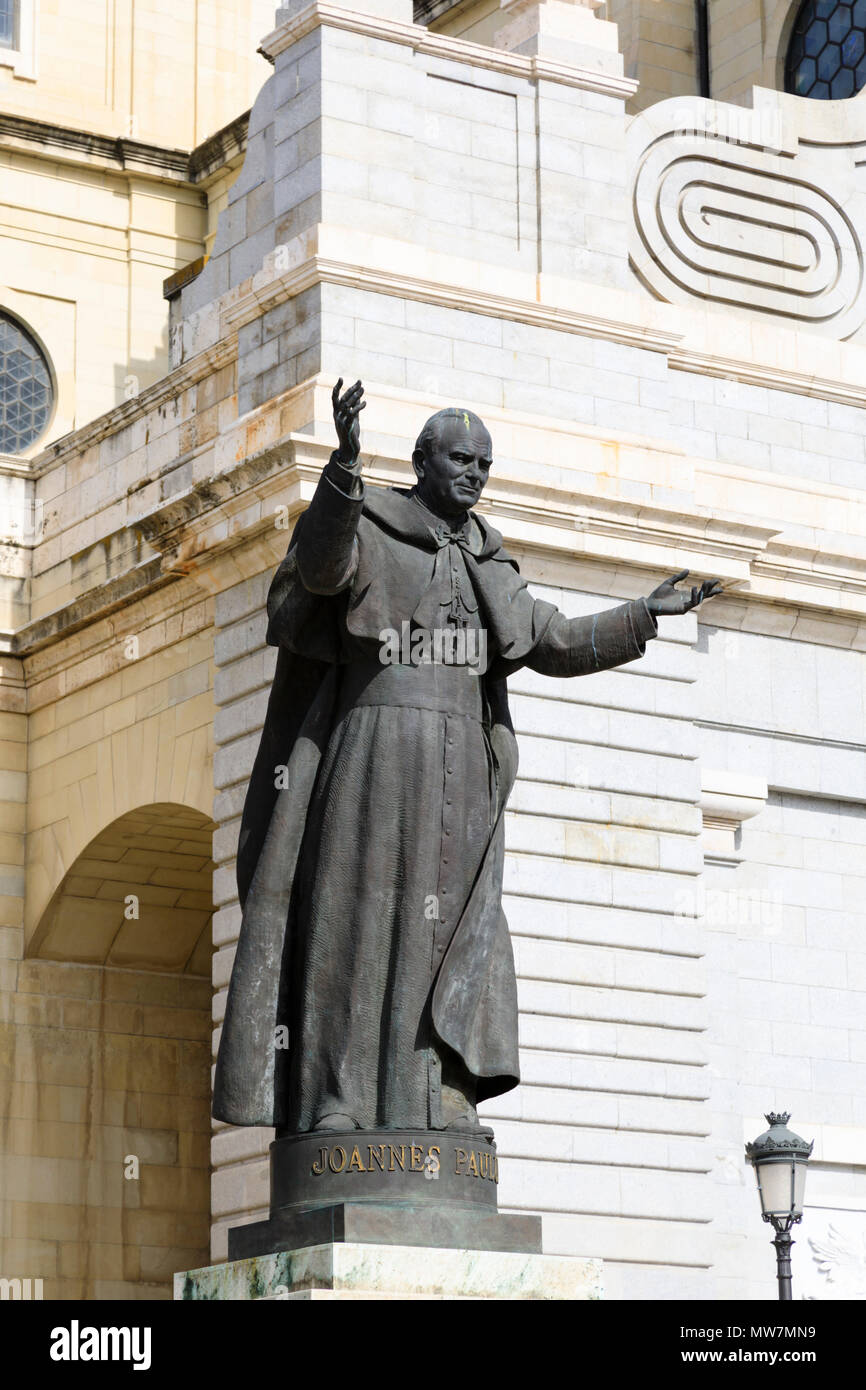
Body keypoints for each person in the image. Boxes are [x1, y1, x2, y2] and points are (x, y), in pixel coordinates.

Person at [213, 379, 721, 1136]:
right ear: (421, 462)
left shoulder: (489, 556)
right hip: (376, 744)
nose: (475, 474)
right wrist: (345, 466)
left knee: (451, 930)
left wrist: (641, 616)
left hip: (464, 768)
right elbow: (319, 573)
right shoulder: (372, 521)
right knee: (355, 919)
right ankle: (337, 1099)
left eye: (484, 463)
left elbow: (546, 640)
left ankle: (438, 1091)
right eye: (460, 459)